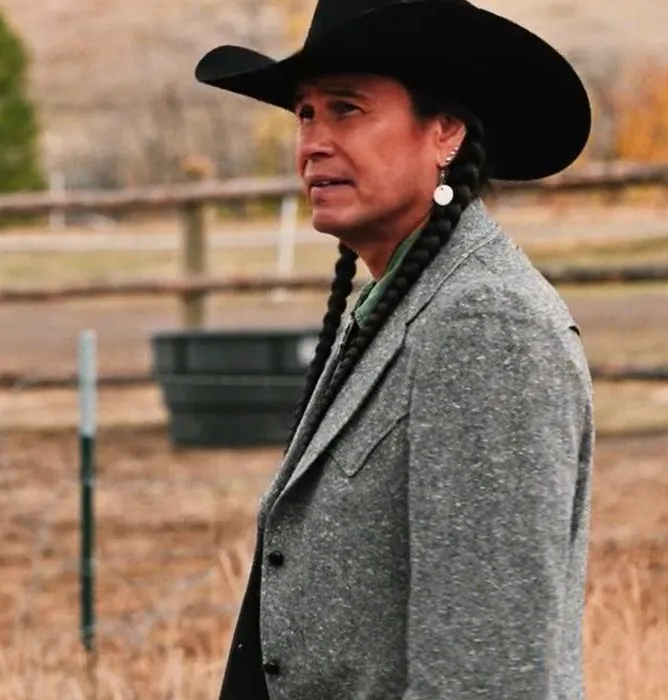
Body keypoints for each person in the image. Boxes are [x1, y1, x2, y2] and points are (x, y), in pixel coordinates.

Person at [192, 1, 596, 698]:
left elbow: (487, 673)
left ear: (443, 133)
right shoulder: (403, 304)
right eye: (305, 114)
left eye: (346, 110)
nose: (313, 142)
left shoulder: (485, 326)